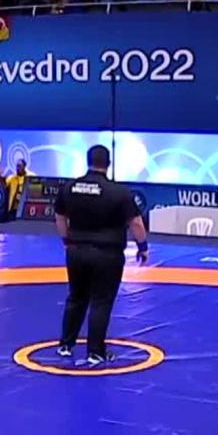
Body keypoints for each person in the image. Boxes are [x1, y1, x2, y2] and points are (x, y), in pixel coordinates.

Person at [54, 145, 150, 366]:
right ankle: (95, 352)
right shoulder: (119, 192)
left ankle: (65, 345)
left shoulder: (69, 187)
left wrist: (67, 240)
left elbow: (59, 216)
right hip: (108, 254)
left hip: (77, 251)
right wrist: (142, 247)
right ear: (108, 164)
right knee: (101, 301)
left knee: (76, 297)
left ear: (88, 161)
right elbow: (135, 222)